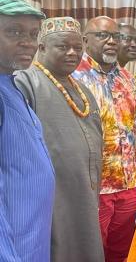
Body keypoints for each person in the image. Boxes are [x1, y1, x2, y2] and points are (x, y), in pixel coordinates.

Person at [73, 16, 136, 262]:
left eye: (115, 36)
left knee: (122, 250)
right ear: (85, 40)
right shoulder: (73, 77)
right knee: (92, 252)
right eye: (103, 35)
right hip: (94, 187)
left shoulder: (126, 77)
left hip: (127, 184)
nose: (111, 42)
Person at [15, 17, 104, 262]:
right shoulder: (25, 83)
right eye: (63, 47)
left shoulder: (82, 90)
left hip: (84, 192)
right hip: (51, 198)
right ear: (41, 47)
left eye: (78, 47)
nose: (73, 53)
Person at [0, 0, 55, 261]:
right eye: (14, 31)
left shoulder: (11, 85)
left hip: (31, 238)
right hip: (12, 247)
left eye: (33, 34)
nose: (28, 43)